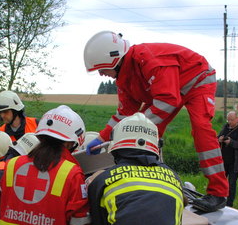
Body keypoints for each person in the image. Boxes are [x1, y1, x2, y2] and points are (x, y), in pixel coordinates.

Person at [82, 30, 228, 213]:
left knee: (200, 128)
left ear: (114, 60)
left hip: (197, 80)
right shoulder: (124, 78)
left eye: (101, 69)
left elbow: (167, 101)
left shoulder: (150, 60)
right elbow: (124, 114)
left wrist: (133, 128)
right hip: (166, 93)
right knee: (145, 133)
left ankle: (218, 192)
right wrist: (102, 138)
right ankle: (146, 179)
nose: (102, 75)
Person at [218, 111, 238, 207]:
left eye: (232, 120)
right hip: (223, 161)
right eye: (228, 120)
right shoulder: (225, 127)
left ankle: (229, 204)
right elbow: (218, 137)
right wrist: (219, 139)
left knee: (231, 184)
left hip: (235, 162)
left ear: (237, 119)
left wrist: (231, 142)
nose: (229, 122)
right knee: (220, 182)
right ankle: (219, 200)